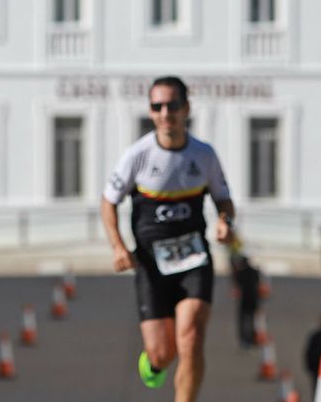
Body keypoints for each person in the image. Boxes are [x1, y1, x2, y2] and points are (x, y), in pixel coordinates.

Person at [102, 77, 237, 401]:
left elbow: (224, 199)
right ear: (150, 112)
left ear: (186, 109)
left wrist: (225, 222)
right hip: (151, 263)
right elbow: (108, 201)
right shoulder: (138, 155)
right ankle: (155, 359)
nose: (165, 114)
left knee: (191, 337)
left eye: (172, 106)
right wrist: (118, 246)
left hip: (194, 259)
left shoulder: (204, 155)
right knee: (163, 354)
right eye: (157, 106)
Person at [230, 251, 261, 350]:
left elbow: (236, 284)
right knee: (252, 320)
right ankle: (251, 338)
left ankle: (244, 339)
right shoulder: (255, 272)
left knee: (243, 320)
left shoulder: (240, 273)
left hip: (244, 299)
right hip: (254, 299)